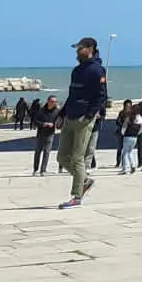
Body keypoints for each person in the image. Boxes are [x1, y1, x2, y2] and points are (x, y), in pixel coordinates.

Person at [58, 37, 108, 208]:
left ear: (90, 48)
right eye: (77, 49)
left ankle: (76, 196)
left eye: (80, 48)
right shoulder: (76, 70)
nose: (77, 52)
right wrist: (61, 113)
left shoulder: (98, 70)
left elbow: (101, 96)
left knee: (78, 157)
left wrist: (89, 116)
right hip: (70, 116)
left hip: (84, 118)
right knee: (62, 157)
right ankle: (84, 181)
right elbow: (72, 95)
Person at [32, 96, 60, 176]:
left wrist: (55, 125)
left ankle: (43, 170)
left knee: (47, 152)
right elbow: (35, 121)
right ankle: (35, 169)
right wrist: (44, 124)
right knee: (38, 152)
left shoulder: (57, 112)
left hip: (50, 134)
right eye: (52, 101)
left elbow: (59, 121)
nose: (53, 103)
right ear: (48, 101)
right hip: (41, 134)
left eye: (55, 102)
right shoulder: (41, 111)